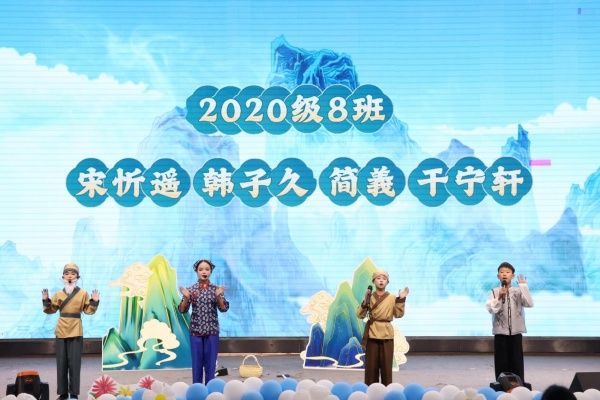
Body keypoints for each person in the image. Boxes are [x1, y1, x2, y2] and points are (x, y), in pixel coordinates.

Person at [42, 263, 99, 400]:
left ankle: (74, 393)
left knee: (75, 363)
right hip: (61, 329)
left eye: (73, 274)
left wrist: (94, 302)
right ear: (63, 277)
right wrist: (46, 300)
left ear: (77, 277)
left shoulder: (83, 293)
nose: (69, 277)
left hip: (76, 329)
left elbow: (88, 310)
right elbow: (50, 309)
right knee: (61, 363)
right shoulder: (58, 294)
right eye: (67, 274)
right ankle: (62, 393)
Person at [179, 259, 229, 384]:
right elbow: (182, 310)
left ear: (211, 271)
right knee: (197, 363)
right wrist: (186, 297)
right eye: (201, 269)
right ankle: (197, 389)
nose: (204, 272)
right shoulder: (191, 290)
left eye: (207, 269)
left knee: (210, 363)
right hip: (196, 331)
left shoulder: (216, 289)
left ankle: (210, 388)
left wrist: (218, 296)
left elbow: (223, 308)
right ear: (196, 271)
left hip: (212, 331)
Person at [356, 269, 409, 386]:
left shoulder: (392, 297)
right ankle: (371, 389)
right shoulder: (369, 296)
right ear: (373, 281)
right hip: (372, 332)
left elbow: (398, 314)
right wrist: (365, 302)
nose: (381, 281)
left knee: (386, 366)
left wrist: (401, 299)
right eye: (378, 278)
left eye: (384, 279)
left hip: (386, 334)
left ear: (387, 282)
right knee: (371, 366)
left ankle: (387, 389)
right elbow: (360, 315)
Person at [486, 261, 534, 383]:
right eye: (502, 272)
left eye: (507, 272)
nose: (504, 274)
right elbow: (491, 309)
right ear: (498, 276)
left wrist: (524, 287)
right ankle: (501, 385)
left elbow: (530, 304)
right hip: (500, 333)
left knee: (516, 361)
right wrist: (499, 297)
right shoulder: (494, 291)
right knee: (501, 362)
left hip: (516, 333)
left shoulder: (518, 291)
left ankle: (518, 384)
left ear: (512, 276)